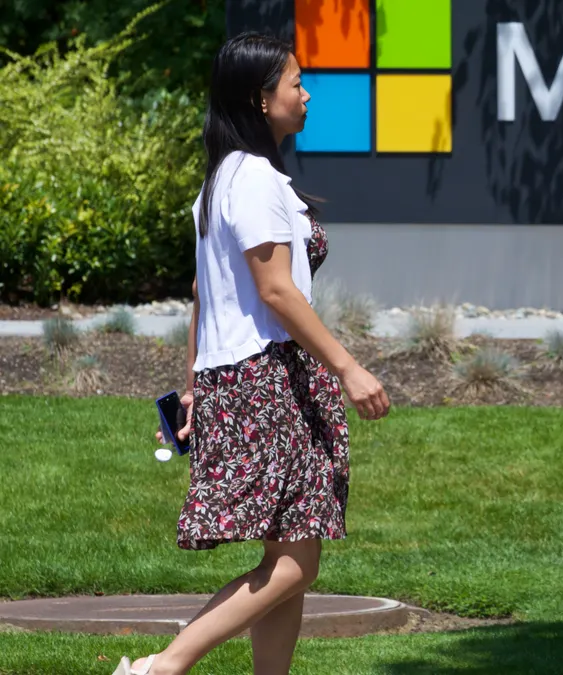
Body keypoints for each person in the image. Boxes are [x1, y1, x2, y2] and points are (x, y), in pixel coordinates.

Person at [114, 32, 391, 675]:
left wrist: (192, 388)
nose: (306, 92)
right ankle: (162, 668)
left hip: (239, 379)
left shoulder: (221, 181)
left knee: (284, 560)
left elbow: (202, 297)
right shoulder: (256, 178)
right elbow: (275, 289)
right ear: (260, 100)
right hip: (271, 380)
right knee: (297, 563)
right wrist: (348, 367)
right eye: (295, 82)